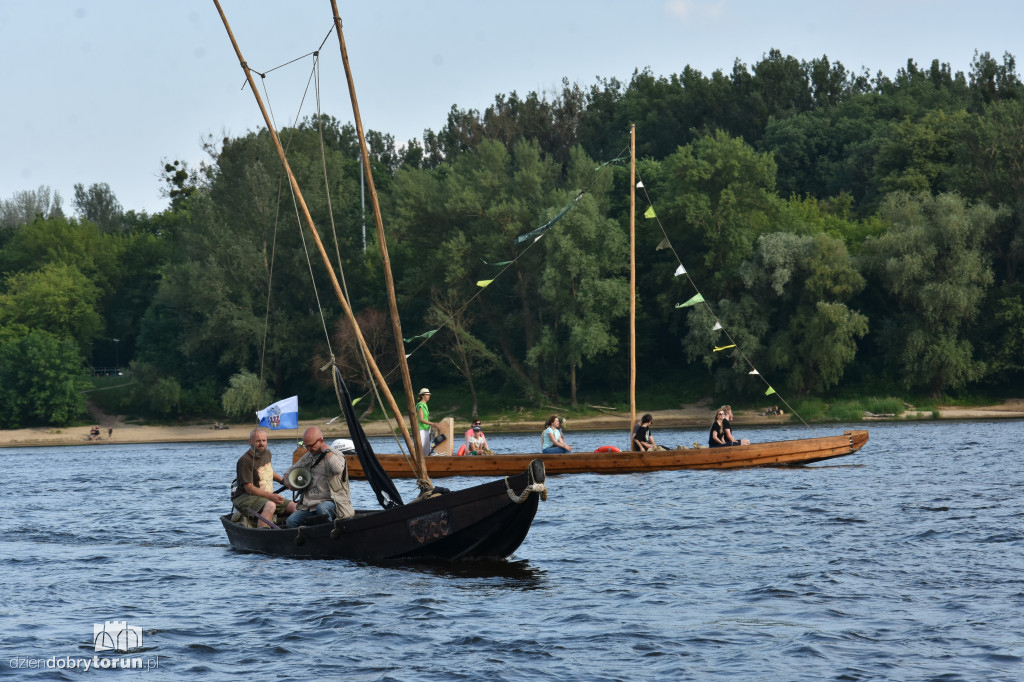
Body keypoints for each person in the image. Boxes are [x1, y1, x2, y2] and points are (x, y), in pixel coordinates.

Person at [281, 426, 353, 528]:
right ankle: (309, 536)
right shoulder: (308, 456)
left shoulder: (336, 454)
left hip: (333, 504)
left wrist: (327, 451)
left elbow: (338, 469)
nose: (308, 449)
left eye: (310, 446)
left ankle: (331, 530)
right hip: (309, 506)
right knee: (291, 522)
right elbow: (290, 471)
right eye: (306, 446)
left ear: (321, 441)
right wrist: (289, 483)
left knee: (322, 508)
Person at [231, 428, 297, 528]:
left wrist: (284, 482)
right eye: (258, 441)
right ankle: (263, 534)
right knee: (271, 505)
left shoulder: (267, 453)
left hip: (264, 496)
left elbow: (268, 471)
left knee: (295, 506)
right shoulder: (244, 461)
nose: (261, 444)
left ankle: (297, 531)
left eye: (264, 440)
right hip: (245, 497)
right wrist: (270, 496)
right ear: (250, 442)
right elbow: (249, 488)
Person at [416, 388, 442, 456]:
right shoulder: (420, 405)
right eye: (427, 395)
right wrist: (433, 424)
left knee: (427, 449)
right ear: (422, 396)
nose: (429, 396)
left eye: (429, 395)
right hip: (421, 429)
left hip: (426, 429)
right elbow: (421, 419)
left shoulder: (425, 405)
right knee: (421, 448)